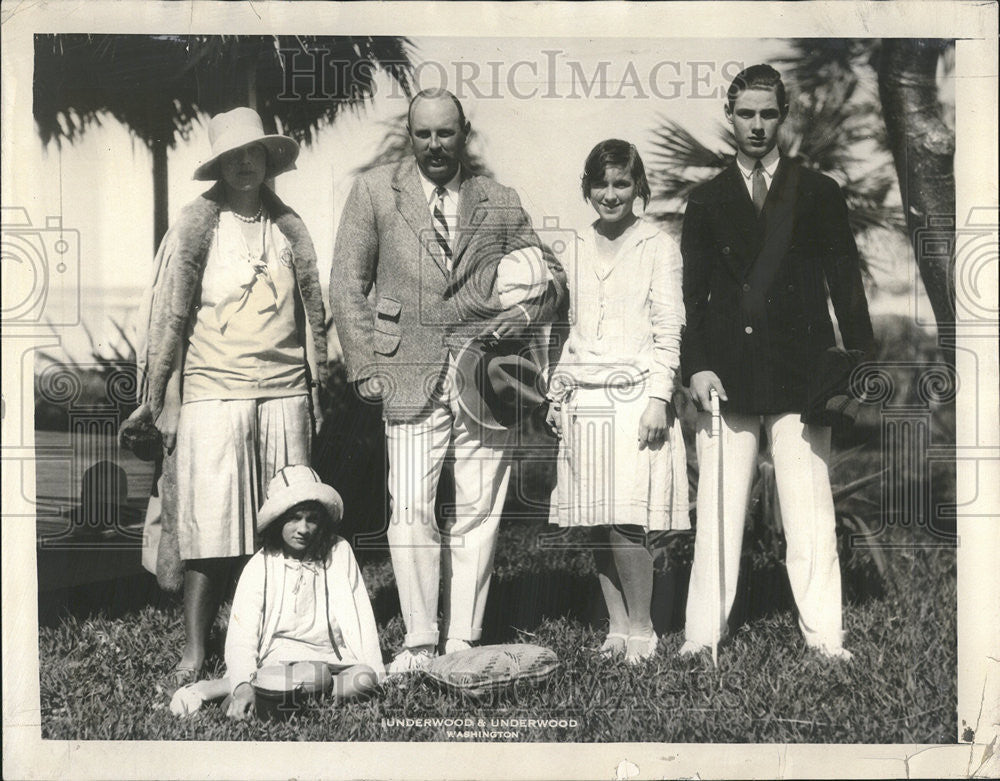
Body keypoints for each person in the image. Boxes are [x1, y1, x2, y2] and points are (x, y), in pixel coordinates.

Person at [330, 89, 568, 674]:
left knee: (480, 509)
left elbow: (552, 277)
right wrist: (365, 365)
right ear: (411, 135)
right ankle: (417, 639)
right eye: (423, 134)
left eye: (445, 133)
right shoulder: (374, 192)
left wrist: (524, 315)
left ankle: (463, 636)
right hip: (405, 372)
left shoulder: (499, 199)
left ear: (464, 132)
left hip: (487, 375)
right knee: (409, 506)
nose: (435, 145)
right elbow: (345, 285)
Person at [125, 107, 328, 686]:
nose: (245, 164)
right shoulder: (195, 227)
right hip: (215, 395)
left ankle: (277, 641)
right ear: (218, 164)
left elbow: (313, 323)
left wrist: (316, 392)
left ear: (269, 161)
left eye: (255, 153)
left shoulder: (289, 229)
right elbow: (165, 318)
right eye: (233, 156)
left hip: (285, 393)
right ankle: (195, 650)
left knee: (288, 527)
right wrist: (158, 396)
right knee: (209, 531)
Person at [678, 65, 875, 660]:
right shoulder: (706, 200)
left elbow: (846, 280)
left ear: (782, 117)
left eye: (768, 114)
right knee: (717, 512)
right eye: (747, 114)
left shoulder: (816, 192)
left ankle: (825, 637)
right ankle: (702, 635)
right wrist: (696, 367)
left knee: (810, 510)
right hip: (727, 375)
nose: (757, 125)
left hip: (802, 374)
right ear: (730, 116)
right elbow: (692, 296)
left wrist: (859, 361)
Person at [545, 139, 689, 664]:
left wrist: (659, 397)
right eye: (601, 184)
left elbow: (668, 326)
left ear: (638, 187)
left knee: (628, 519)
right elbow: (569, 328)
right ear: (588, 188)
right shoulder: (574, 245)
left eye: (622, 183)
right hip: (584, 396)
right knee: (595, 519)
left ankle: (644, 630)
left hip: (635, 397)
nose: (611, 194)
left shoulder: (658, 245)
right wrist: (558, 390)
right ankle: (617, 627)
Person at [169, 465, 383, 719]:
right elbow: (242, 635)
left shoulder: (339, 552)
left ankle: (255, 696)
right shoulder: (261, 564)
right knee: (316, 676)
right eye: (294, 518)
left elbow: (361, 616)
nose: (303, 529)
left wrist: (376, 669)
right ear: (278, 519)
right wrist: (243, 680)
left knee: (364, 679)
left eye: (312, 519)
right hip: (279, 661)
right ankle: (233, 690)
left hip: (331, 659)